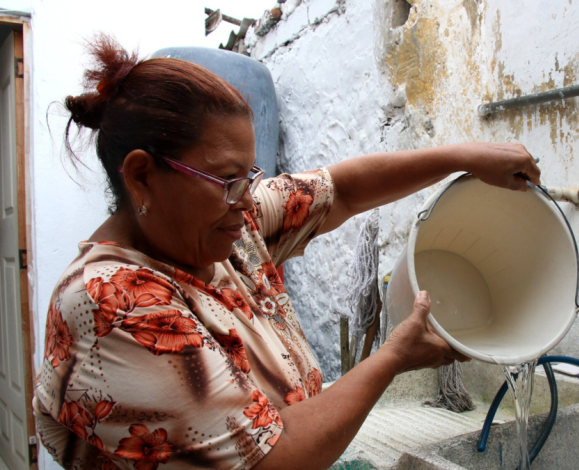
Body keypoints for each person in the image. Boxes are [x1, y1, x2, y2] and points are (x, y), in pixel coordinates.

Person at [34, 35, 541, 470]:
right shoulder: (111, 303)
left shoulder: (226, 231)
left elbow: (340, 190)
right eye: (228, 179)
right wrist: (392, 358)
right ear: (143, 175)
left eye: (249, 175)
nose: (247, 199)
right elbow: (272, 458)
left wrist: (461, 157)